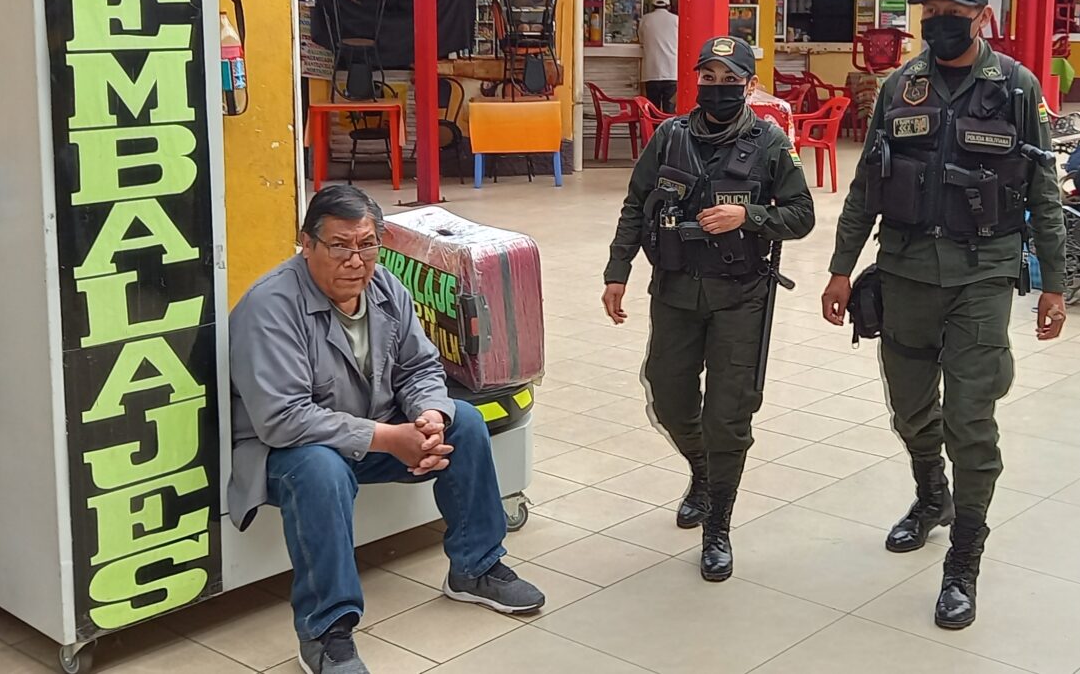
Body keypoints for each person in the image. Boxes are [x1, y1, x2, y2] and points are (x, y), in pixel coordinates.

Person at [820, 0, 1068, 631]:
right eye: (930, 10)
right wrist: (841, 268)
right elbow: (867, 186)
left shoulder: (1016, 88)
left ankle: (963, 559)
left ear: (983, 16)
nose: (938, 20)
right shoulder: (900, 86)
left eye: (953, 10)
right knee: (909, 410)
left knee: (970, 419)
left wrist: (1055, 283)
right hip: (904, 273)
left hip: (981, 276)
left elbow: (1043, 191)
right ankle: (932, 494)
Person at [229, 186, 545, 674]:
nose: (355, 260)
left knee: (464, 422)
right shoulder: (270, 306)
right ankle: (326, 631)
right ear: (306, 243)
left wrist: (429, 417)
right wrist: (389, 439)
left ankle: (476, 567)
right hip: (285, 452)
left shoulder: (385, 287)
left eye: (367, 244)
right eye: (339, 245)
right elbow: (283, 418)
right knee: (320, 470)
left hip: (370, 433)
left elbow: (420, 367)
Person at [603, 35, 814, 583]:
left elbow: (802, 213)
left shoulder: (770, 143)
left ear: (750, 85)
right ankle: (701, 467)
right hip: (675, 291)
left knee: (729, 415)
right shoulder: (669, 137)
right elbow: (636, 204)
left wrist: (751, 217)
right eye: (709, 78)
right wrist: (617, 270)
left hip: (740, 296)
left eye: (730, 80)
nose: (718, 88)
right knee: (668, 396)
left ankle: (718, 522)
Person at [639, 0, 681, 112]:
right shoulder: (676, 20)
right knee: (669, 111)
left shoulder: (645, 20)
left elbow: (641, 41)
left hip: (651, 72)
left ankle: (654, 125)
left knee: (653, 110)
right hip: (672, 71)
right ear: (668, 6)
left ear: (653, 6)